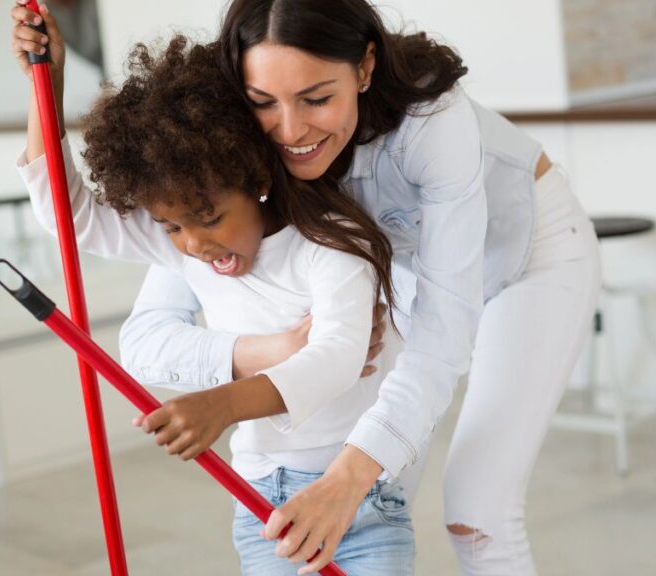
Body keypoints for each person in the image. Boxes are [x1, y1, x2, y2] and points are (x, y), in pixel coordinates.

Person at [113, 1, 602, 574]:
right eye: (263, 102)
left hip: (530, 254)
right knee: (373, 496)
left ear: (365, 68)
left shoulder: (430, 121)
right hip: (412, 266)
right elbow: (146, 312)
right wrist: (269, 352)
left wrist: (348, 476)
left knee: (476, 512)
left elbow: (443, 338)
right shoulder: (245, 135)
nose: (291, 131)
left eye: (318, 98)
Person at [12, 14, 416, 573]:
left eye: (209, 217)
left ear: (256, 177)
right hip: (259, 502)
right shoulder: (183, 246)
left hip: (359, 502)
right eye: (171, 226)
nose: (194, 244)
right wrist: (47, 87)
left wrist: (221, 403)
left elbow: (336, 359)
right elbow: (65, 211)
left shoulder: (330, 244)